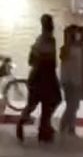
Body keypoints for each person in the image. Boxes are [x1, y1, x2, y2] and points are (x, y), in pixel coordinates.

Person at [16, 14, 62, 143]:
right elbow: (51, 61)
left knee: (38, 103)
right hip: (45, 76)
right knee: (49, 102)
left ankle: (35, 126)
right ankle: (42, 128)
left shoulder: (39, 40)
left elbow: (31, 60)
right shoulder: (48, 40)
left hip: (38, 76)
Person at [59, 25, 83, 137]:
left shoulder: (77, 47)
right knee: (72, 105)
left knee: (74, 105)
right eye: (76, 33)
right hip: (70, 80)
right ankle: (64, 125)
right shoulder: (66, 48)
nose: (78, 35)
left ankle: (70, 127)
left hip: (76, 79)